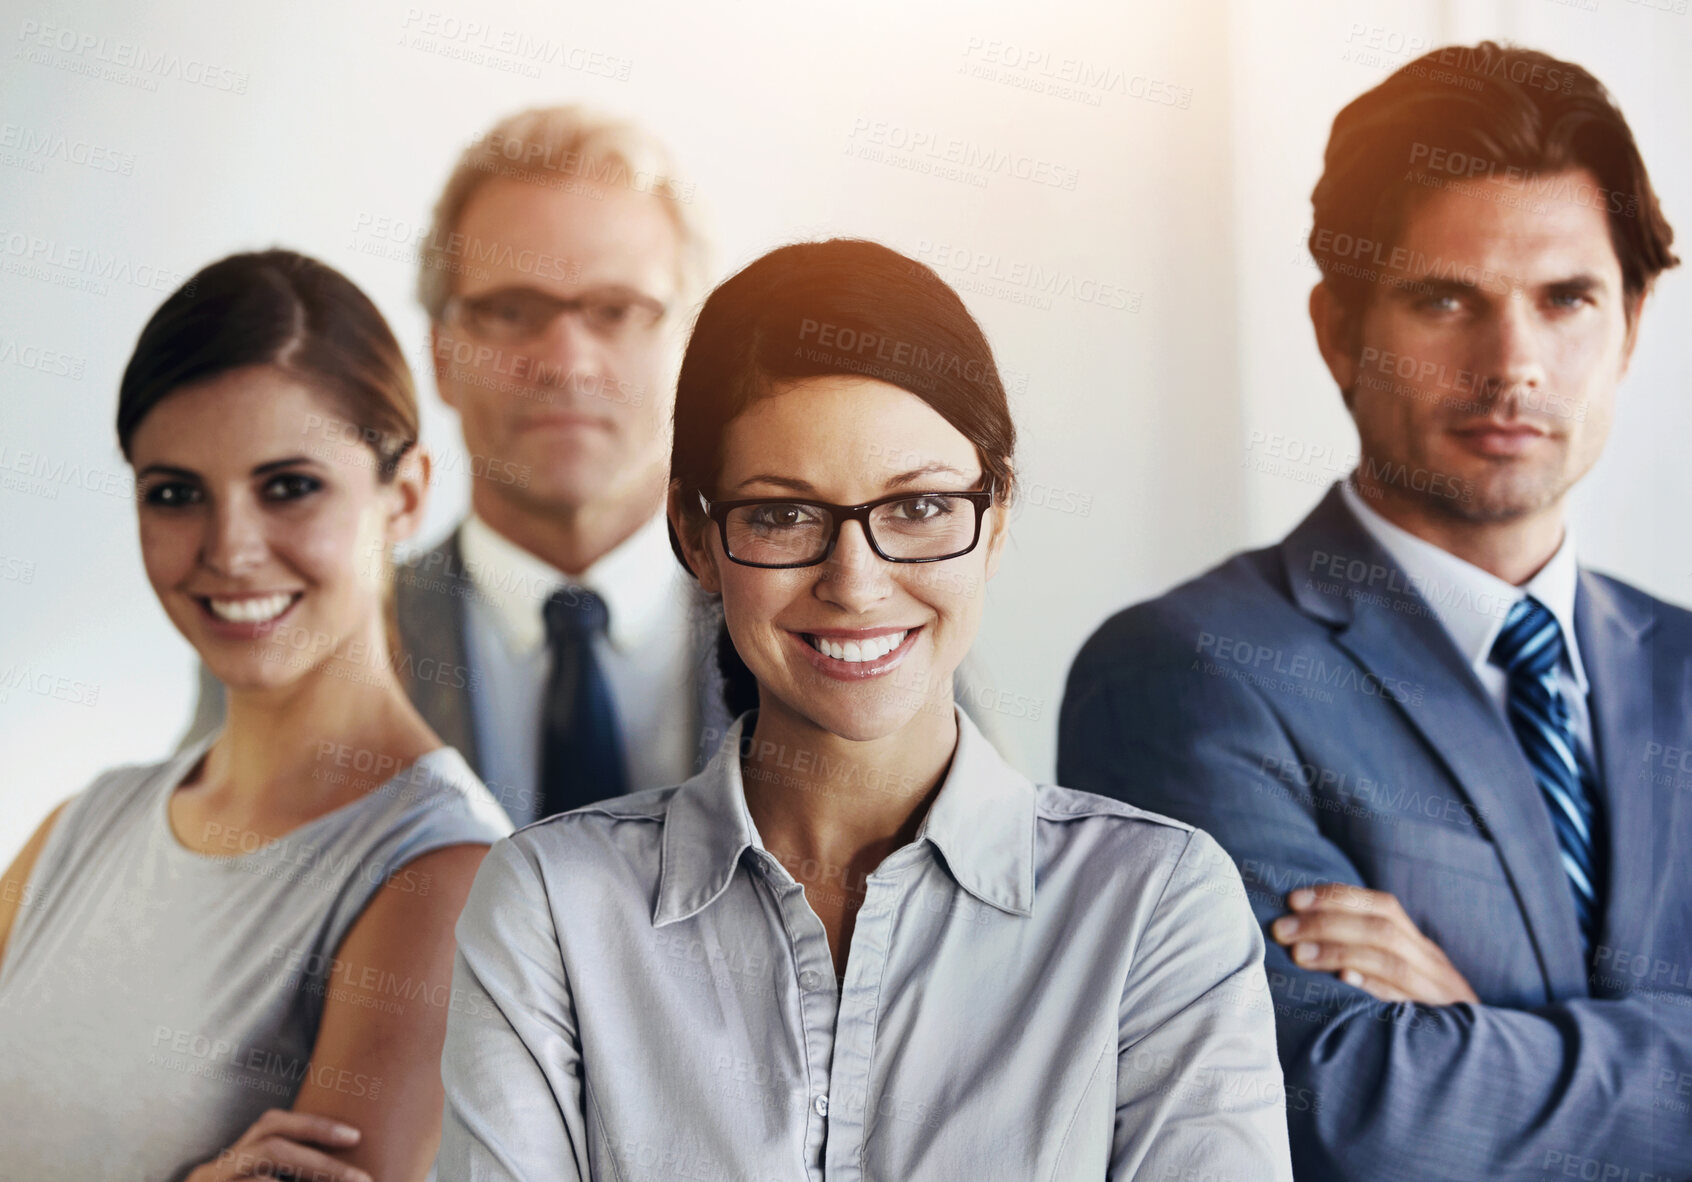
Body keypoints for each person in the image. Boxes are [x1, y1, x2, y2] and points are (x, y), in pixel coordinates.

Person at [437, 239, 1293, 1180]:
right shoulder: (553, 905)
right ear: (695, 533)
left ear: (995, 516)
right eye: (782, 515)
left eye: (919, 507)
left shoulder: (1155, 905)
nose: (856, 583)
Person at [1059, 42, 1691, 1182]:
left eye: (1567, 300)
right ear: (1338, 330)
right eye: (1448, 299)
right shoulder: (1185, 674)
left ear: (1633, 326)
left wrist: (1468, 1032)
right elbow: (1350, 1110)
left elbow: (1435, 1094)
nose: (1515, 365)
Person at [0, 250, 511, 1182]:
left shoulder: (448, 882)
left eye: (288, 486)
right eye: (175, 494)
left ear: (403, 495)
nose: (229, 549)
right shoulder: (75, 834)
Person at [181, 106, 729, 826]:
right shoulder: (298, 638)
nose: (566, 363)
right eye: (510, 311)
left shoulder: (815, 626)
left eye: (618, 310)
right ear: (440, 358)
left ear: (692, 349)